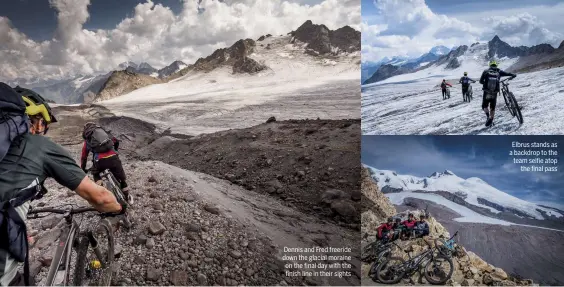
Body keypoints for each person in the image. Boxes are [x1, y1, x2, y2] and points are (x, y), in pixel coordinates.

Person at [0, 83, 125, 286]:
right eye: (44, 125)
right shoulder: (38, 145)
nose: (43, 131)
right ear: (36, 122)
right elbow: (100, 198)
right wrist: (119, 208)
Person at [80, 123, 131, 202]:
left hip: (100, 162)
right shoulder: (104, 134)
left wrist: (83, 169)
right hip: (114, 158)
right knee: (122, 179)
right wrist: (115, 151)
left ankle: (100, 190)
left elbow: (84, 157)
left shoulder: (87, 141)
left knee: (95, 173)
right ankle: (127, 196)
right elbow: (115, 141)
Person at [479, 60, 517, 127]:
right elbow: (507, 73)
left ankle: (488, 117)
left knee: (484, 106)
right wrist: (513, 75)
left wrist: (486, 84)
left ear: (490, 65)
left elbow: (481, 81)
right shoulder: (499, 71)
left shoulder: (485, 71)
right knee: (492, 107)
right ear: (496, 65)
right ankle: (491, 118)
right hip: (494, 92)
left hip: (487, 92)